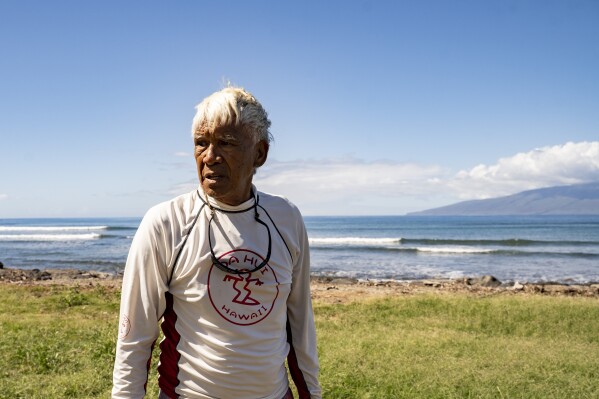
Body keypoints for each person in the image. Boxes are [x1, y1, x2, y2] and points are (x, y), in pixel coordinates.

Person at [112, 87, 321, 399]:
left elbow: (300, 323)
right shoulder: (166, 222)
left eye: (226, 143)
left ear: (260, 153)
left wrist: (312, 395)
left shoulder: (286, 219)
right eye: (201, 143)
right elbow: (135, 336)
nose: (209, 157)